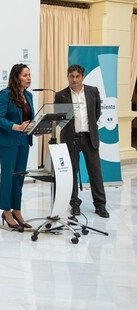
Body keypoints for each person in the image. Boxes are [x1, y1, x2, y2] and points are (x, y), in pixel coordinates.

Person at [54, 64, 109, 218]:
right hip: (70, 139)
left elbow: (96, 113)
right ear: (67, 77)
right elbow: (59, 120)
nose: (74, 79)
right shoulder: (61, 95)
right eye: (71, 76)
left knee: (95, 173)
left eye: (77, 76)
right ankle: (74, 204)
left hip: (89, 137)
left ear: (82, 77)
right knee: (71, 173)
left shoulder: (93, 91)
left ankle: (100, 205)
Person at [0, 63, 34, 229]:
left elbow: (29, 118)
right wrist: (16, 127)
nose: (29, 78)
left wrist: (34, 127)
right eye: (25, 75)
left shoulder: (29, 95)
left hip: (24, 140)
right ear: (16, 77)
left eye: (29, 75)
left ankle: (17, 210)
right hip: (8, 140)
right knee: (8, 175)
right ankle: (6, 210)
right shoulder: (4, 95)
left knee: (19, 176)